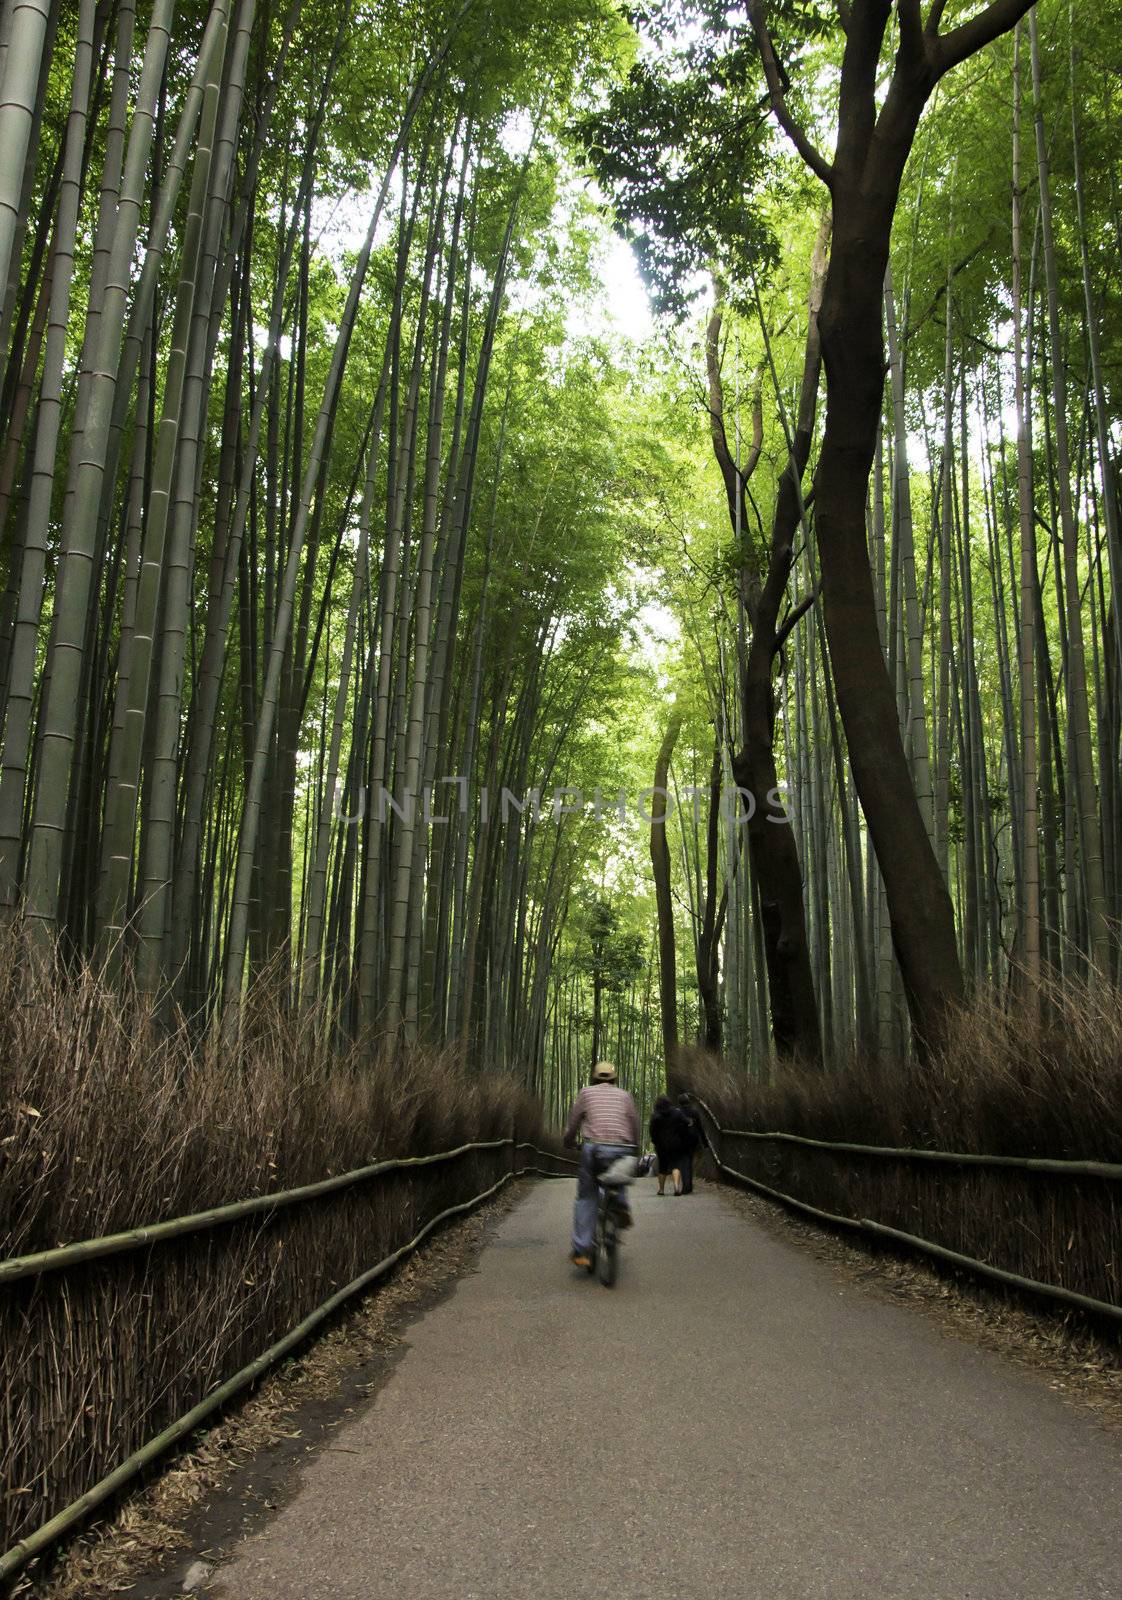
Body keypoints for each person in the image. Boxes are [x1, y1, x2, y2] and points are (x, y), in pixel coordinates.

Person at [563, 1061, 641, 1269]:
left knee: (587, 1196)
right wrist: (635, 1147)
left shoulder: (586, 1093)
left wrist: (569, 1142)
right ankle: (620, 1205)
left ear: (594, 1077)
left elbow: (573, 1123)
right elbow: (634, 1123)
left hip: (594, 1148)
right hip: (621, 1148)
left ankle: (581, 1250)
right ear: (614, 1079)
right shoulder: (624, 1096)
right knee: (618, 1175)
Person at [648, 1094, 690, 1196]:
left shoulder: (655, 1116)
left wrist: (655, 1141)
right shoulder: (677, 1113)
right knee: (675, 1165)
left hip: (661, 1145)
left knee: (662, 1167)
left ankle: (661, 1190)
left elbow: (652, 1131)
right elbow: (687, 1122)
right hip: (675, 1143)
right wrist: (681, 1133)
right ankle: (676, 1187)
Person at [677, 1092, 704, 1194]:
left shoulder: (678, 1112)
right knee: (689, 1162)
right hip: (693, 1140)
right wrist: (704, 1142)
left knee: (685, 1163)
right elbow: (700, 1128)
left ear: (679, 1102)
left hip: (682, 1140)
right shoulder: (695, 1112)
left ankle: (686, 1187)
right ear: (688, 1101)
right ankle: (689, 1186)